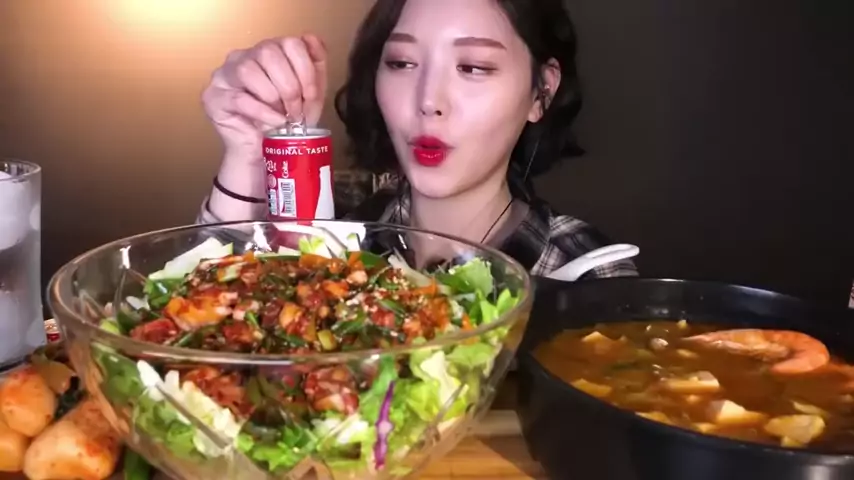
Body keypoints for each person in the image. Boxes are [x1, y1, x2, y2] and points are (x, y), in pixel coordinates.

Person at [196, 0, 637, 279]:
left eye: (474, 67)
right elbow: (204, 335)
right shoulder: (334, 228)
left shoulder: (582, 270)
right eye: (402, 63)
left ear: (542, 92)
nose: (428, 101)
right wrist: (248, 153)